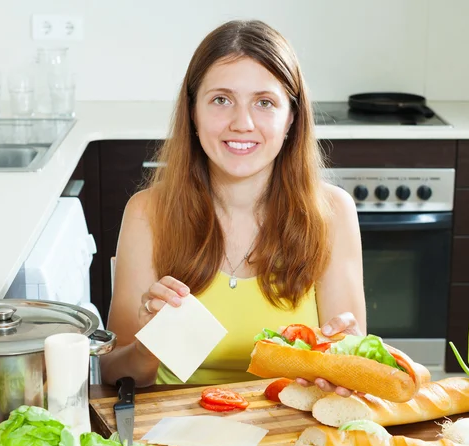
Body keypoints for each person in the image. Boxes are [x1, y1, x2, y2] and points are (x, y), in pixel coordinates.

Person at [101, 19, 366, 396]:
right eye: (221, 100)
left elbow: (348, 361)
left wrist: (348, 357)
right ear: (192, 112)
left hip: (287, 428)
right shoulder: (147, 212)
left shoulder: (332, 212)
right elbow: (115, 372)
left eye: (264, 102)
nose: (242, 123)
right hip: (172, 429)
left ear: (291, 117)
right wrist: (147, 348)